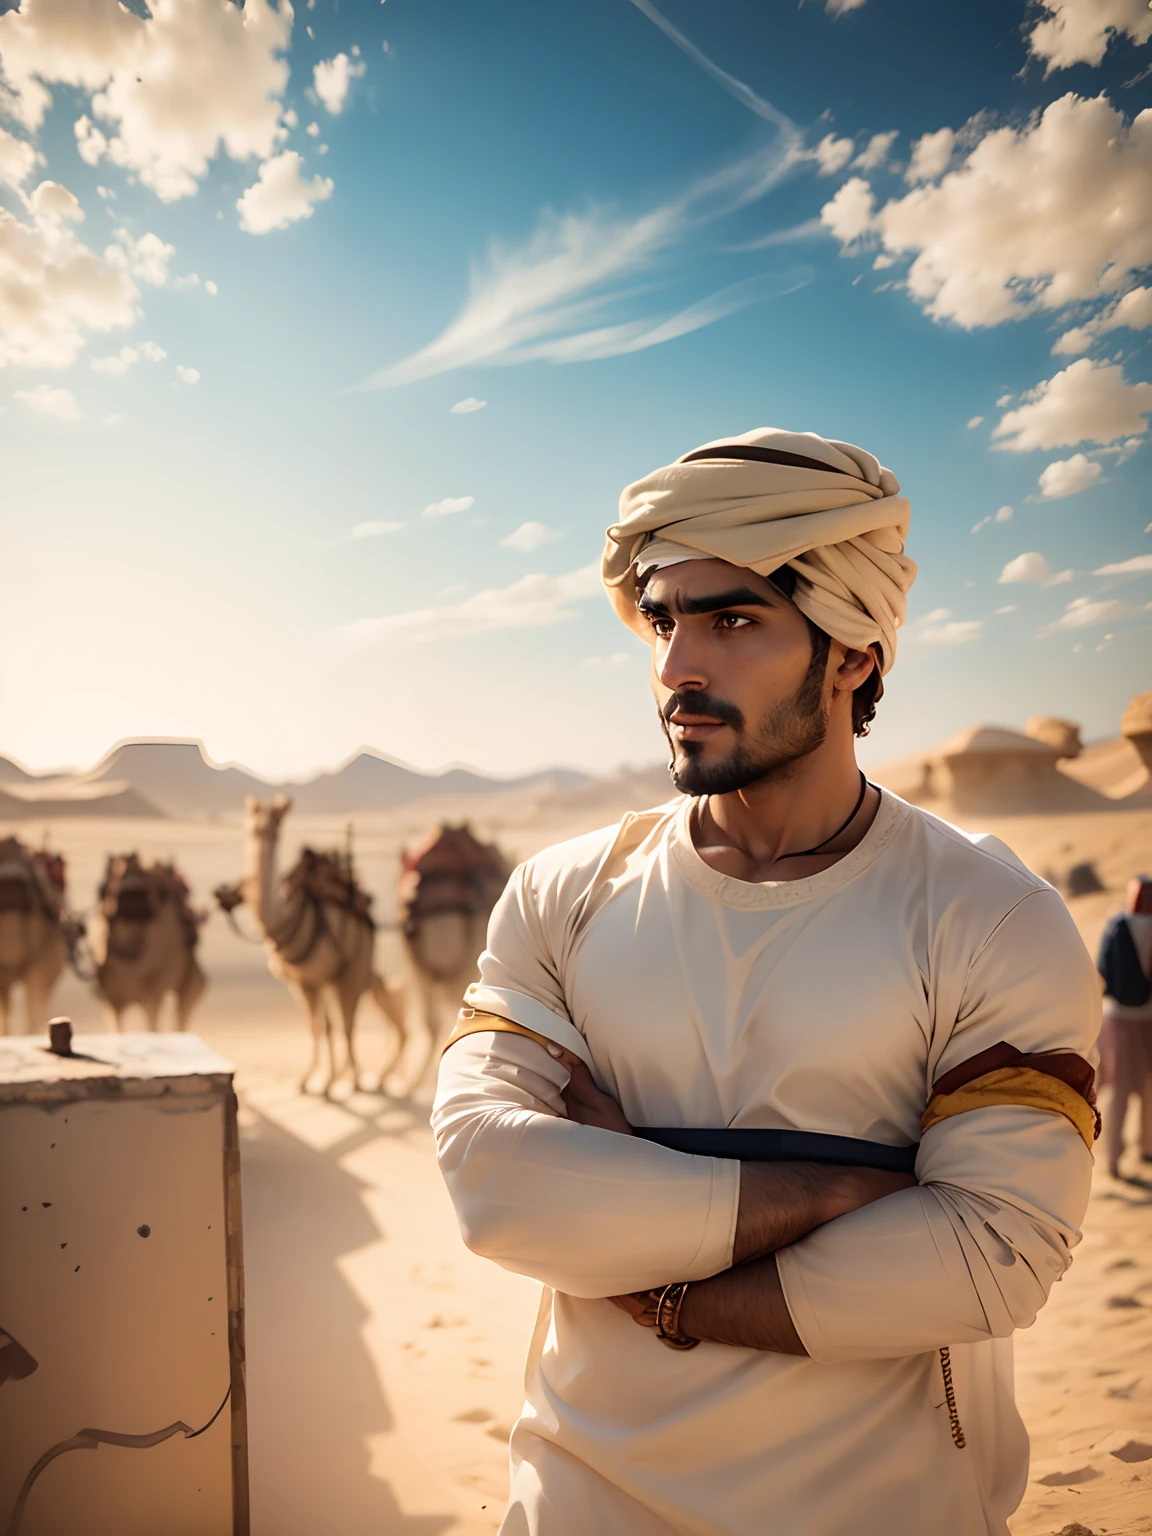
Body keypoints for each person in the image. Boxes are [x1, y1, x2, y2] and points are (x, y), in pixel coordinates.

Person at [432, 428, 1101, 1536]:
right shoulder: (564, 894)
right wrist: (832, 1191)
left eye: (733, 620)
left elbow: (991, 1257)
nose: (677, 667)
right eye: (664, 619)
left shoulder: (990, 917)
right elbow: (492, 1182)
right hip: (582, 1501)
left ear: (854, 654)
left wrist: (654, 1269)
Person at [1097, 875, 1152, 1177]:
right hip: (1148, 1021)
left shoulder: (1118, 926)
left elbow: (1102, 972)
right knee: (1148, 1089)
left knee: (1119, 1091)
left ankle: (1114, 1159)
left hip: (1119, 1020)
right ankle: (1147, 1148)